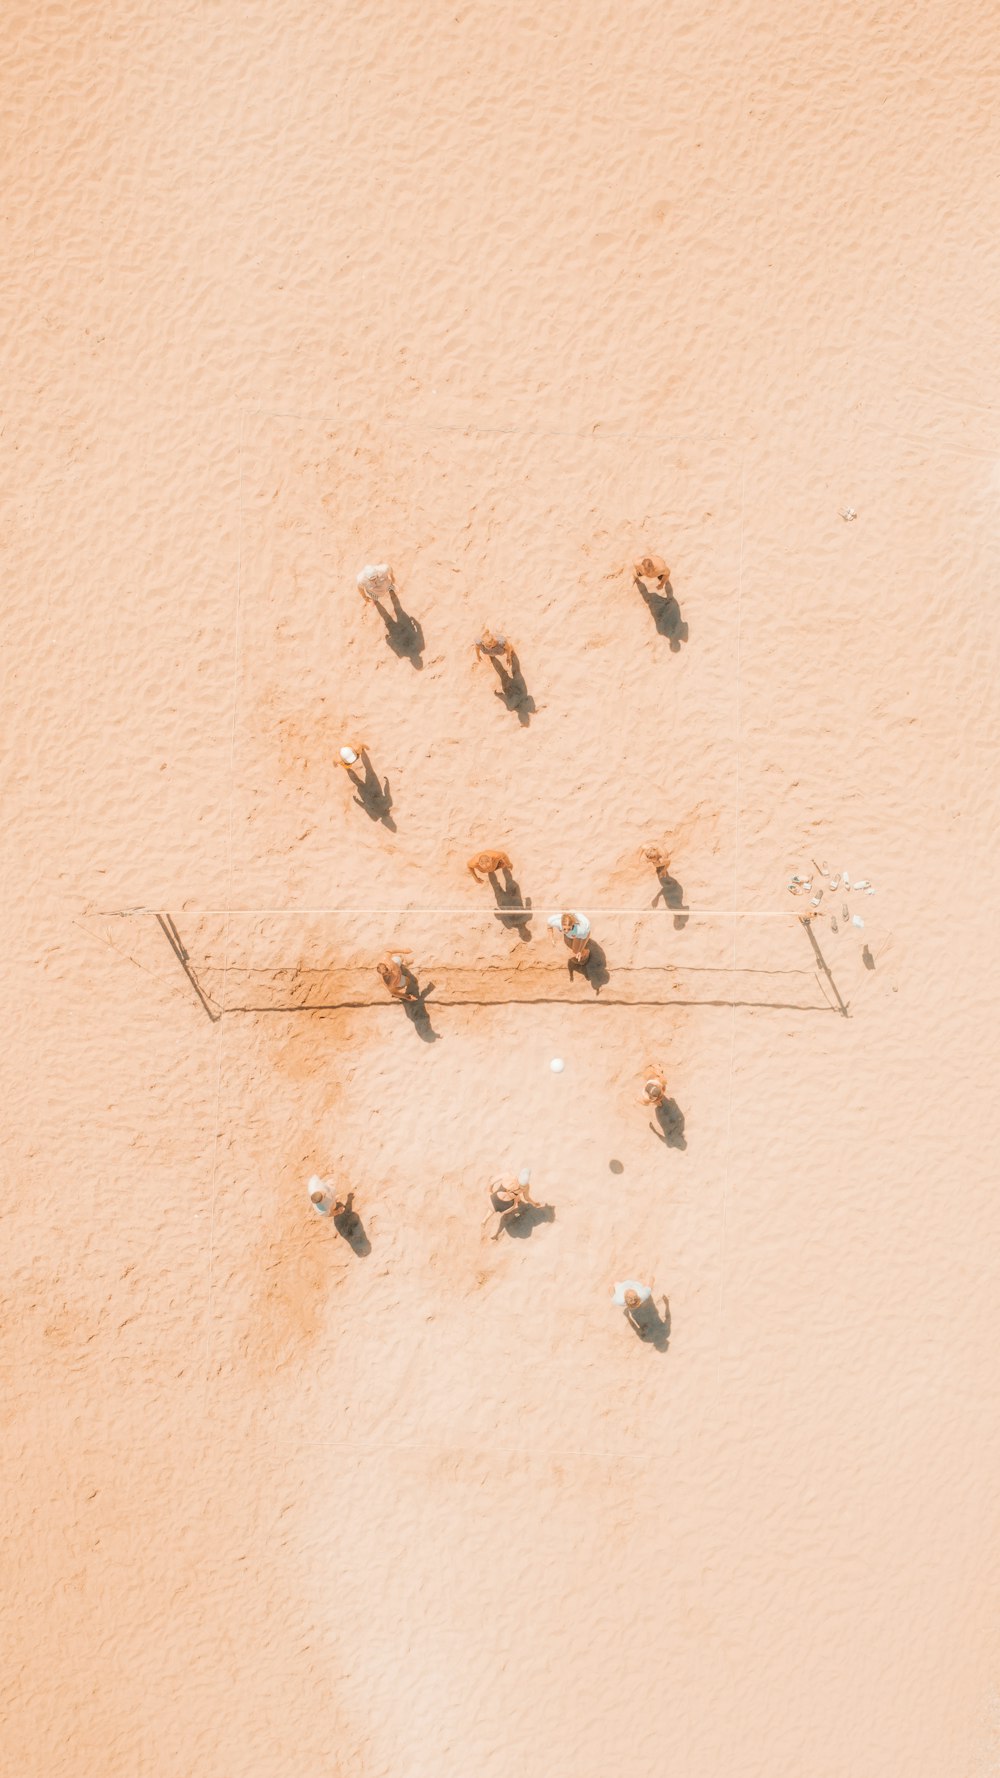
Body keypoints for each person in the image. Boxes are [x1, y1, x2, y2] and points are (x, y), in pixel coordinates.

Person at [484, 1169, 539, 1240]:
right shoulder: (526, 1187)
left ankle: (485, 1219)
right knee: (516, 1199)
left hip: (493, 1201)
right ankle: (515, 1214)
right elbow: (527, 1198)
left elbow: (492, 1181)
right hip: (506, 1208)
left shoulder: (507, 1175)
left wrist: (489, 1190)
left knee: (493, 1207)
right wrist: (534, 1203)